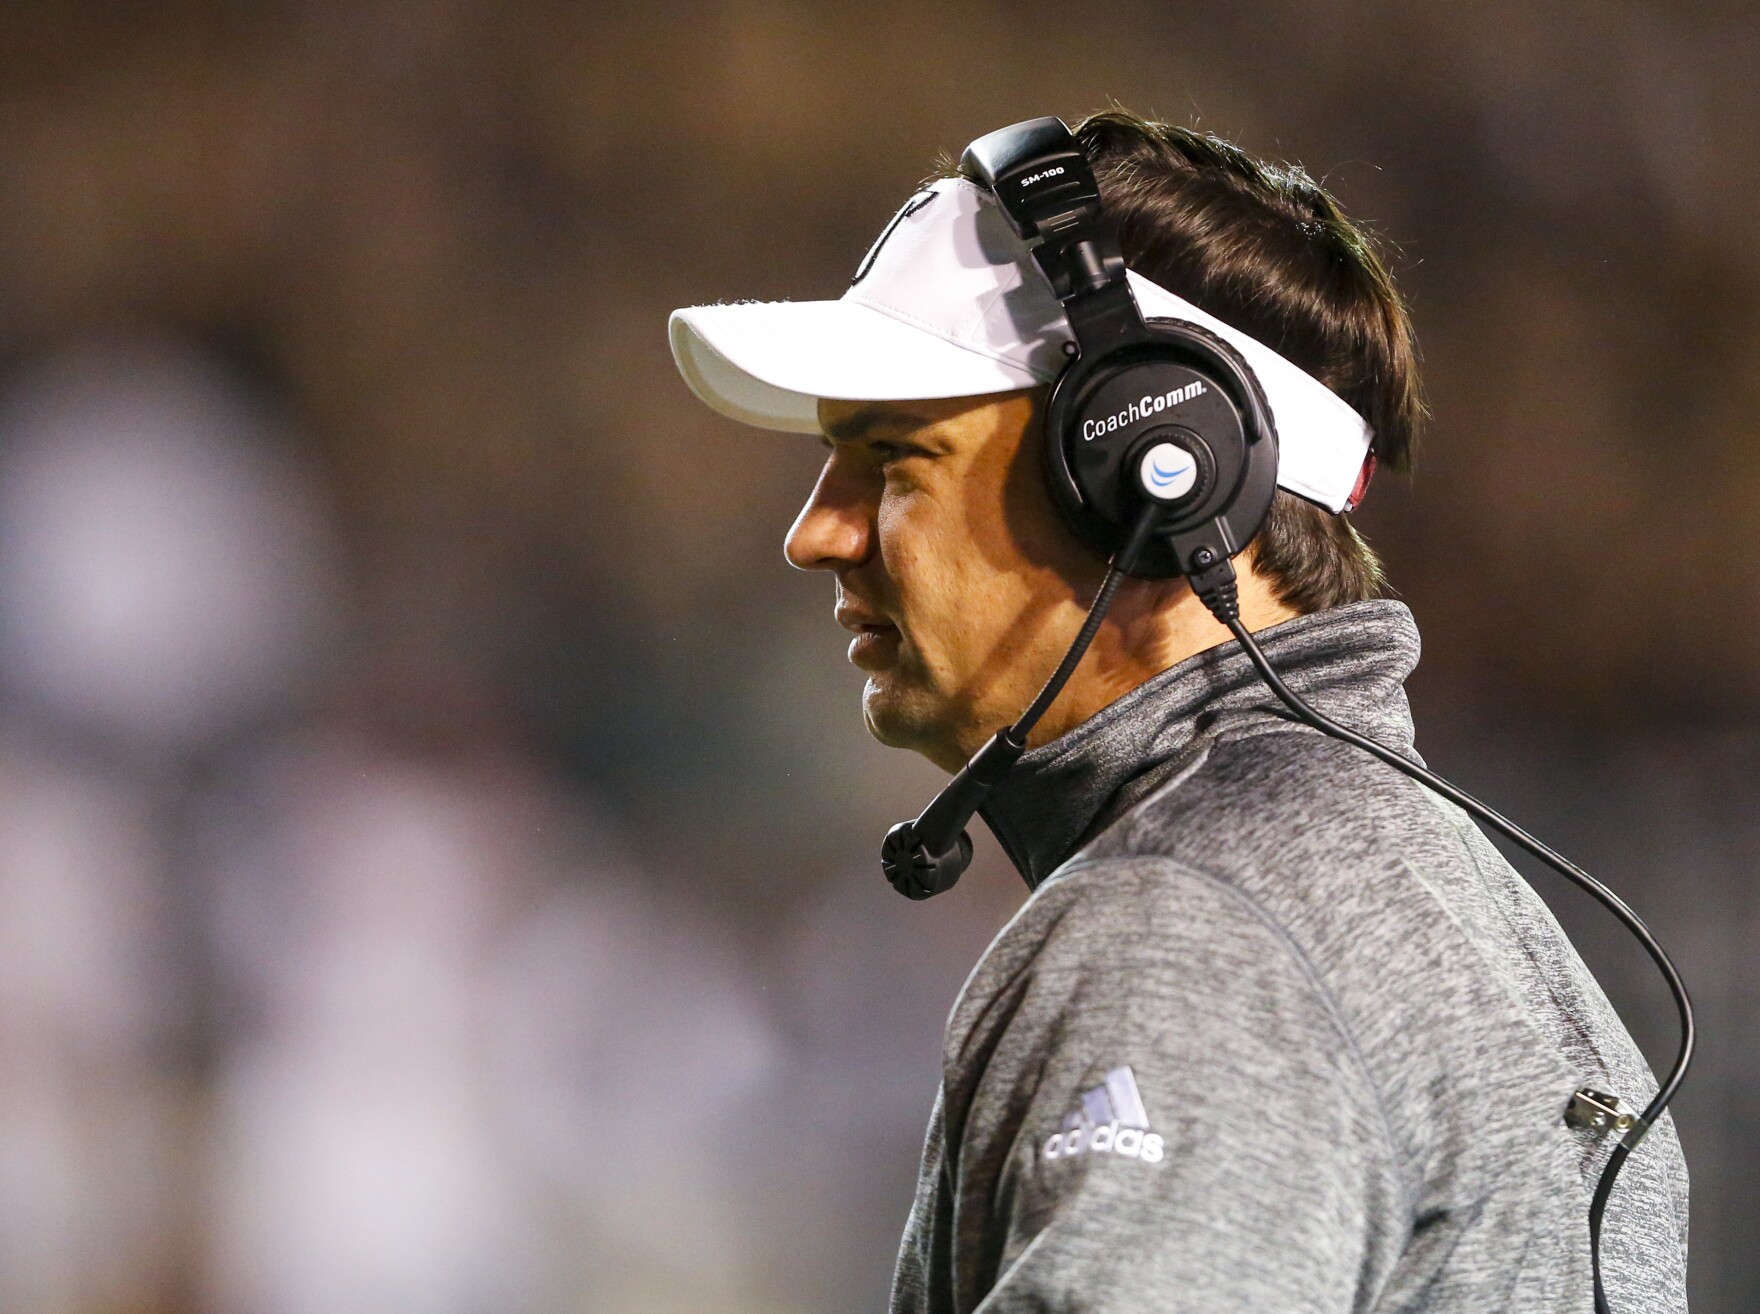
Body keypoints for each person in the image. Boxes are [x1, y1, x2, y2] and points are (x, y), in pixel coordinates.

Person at [668, 109, 1688, 1313]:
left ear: (1146, 463)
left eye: (892, 459)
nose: (813, 534)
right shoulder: (1479, 926)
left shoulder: (1187, 931)